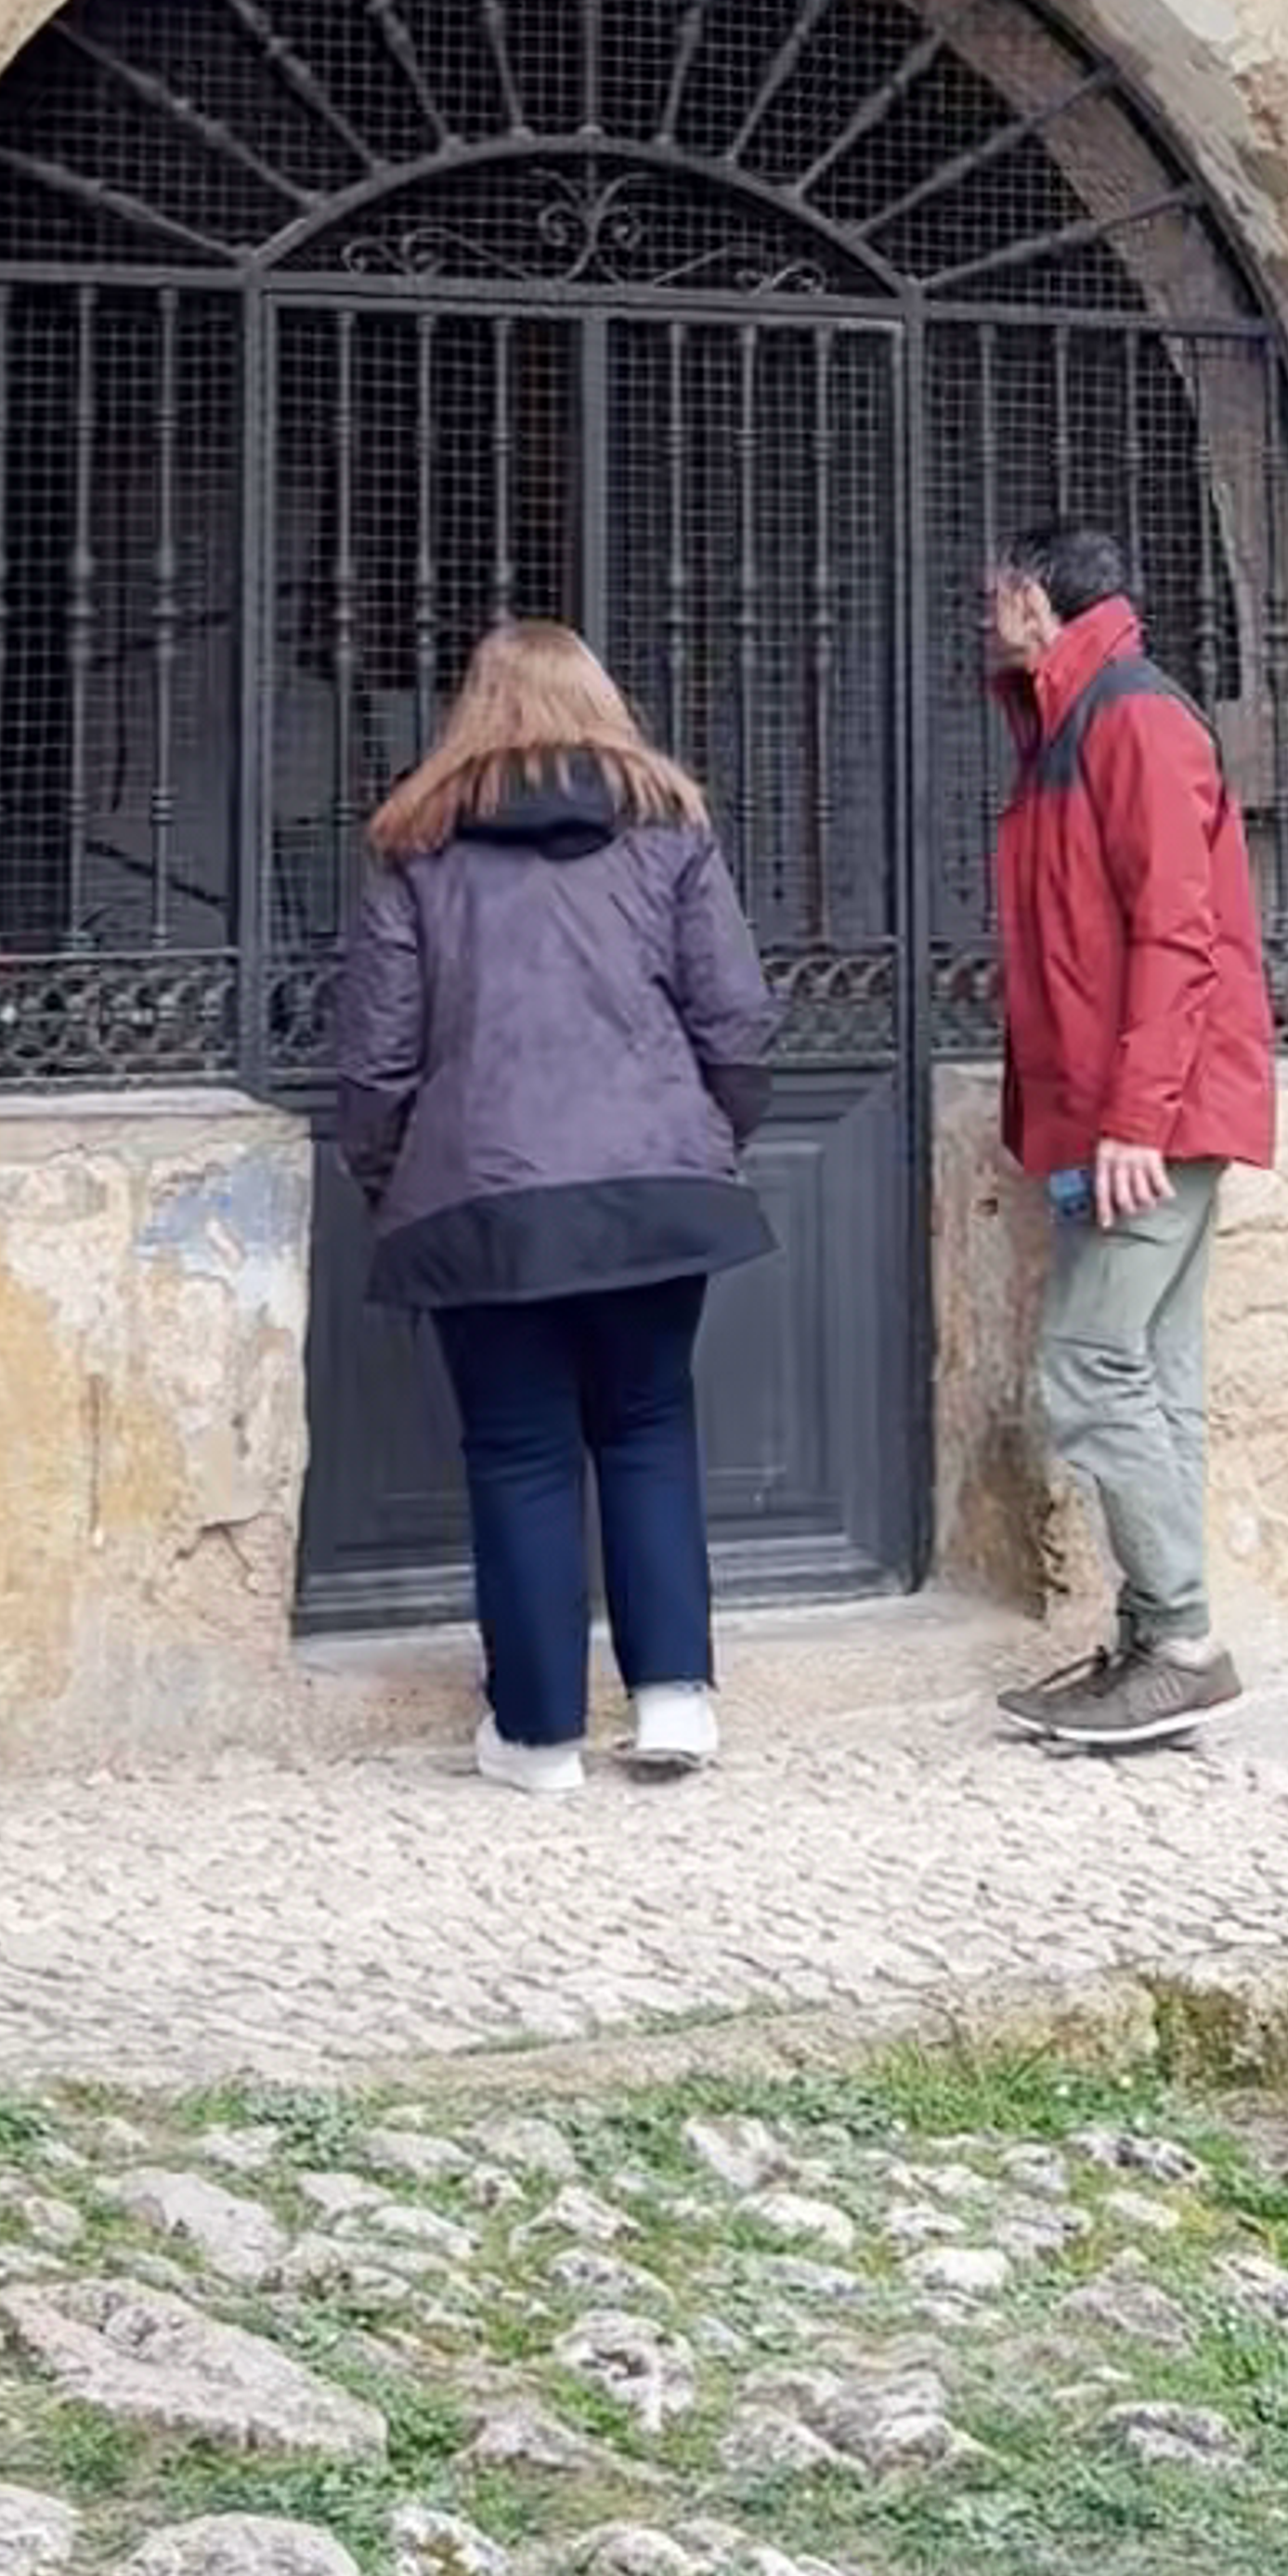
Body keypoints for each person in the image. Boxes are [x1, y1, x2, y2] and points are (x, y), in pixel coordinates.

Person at [330, 618, 778, 1796]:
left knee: (519, 1450)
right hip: (655, 1186)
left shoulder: (413, 843)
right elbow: (735, 1014)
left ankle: (534, 1735)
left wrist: (394, 1177)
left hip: (482, 1192)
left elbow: (375, 1059)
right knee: (647, 1427)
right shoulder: (669, 827)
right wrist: (706, 1136)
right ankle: (675, 1700)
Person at [984, 520, 1279, 1752]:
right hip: (1113, 1111)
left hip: (1149, 1115)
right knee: (1152, 1373)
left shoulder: (1136, 719)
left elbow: (1179, 930)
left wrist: (1133, 1117)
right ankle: (1156, 1636)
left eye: (996, 590)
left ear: (1042, 596)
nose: (982, 609)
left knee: (1090, 1364)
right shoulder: (1068, 717)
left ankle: (1182, 1643)